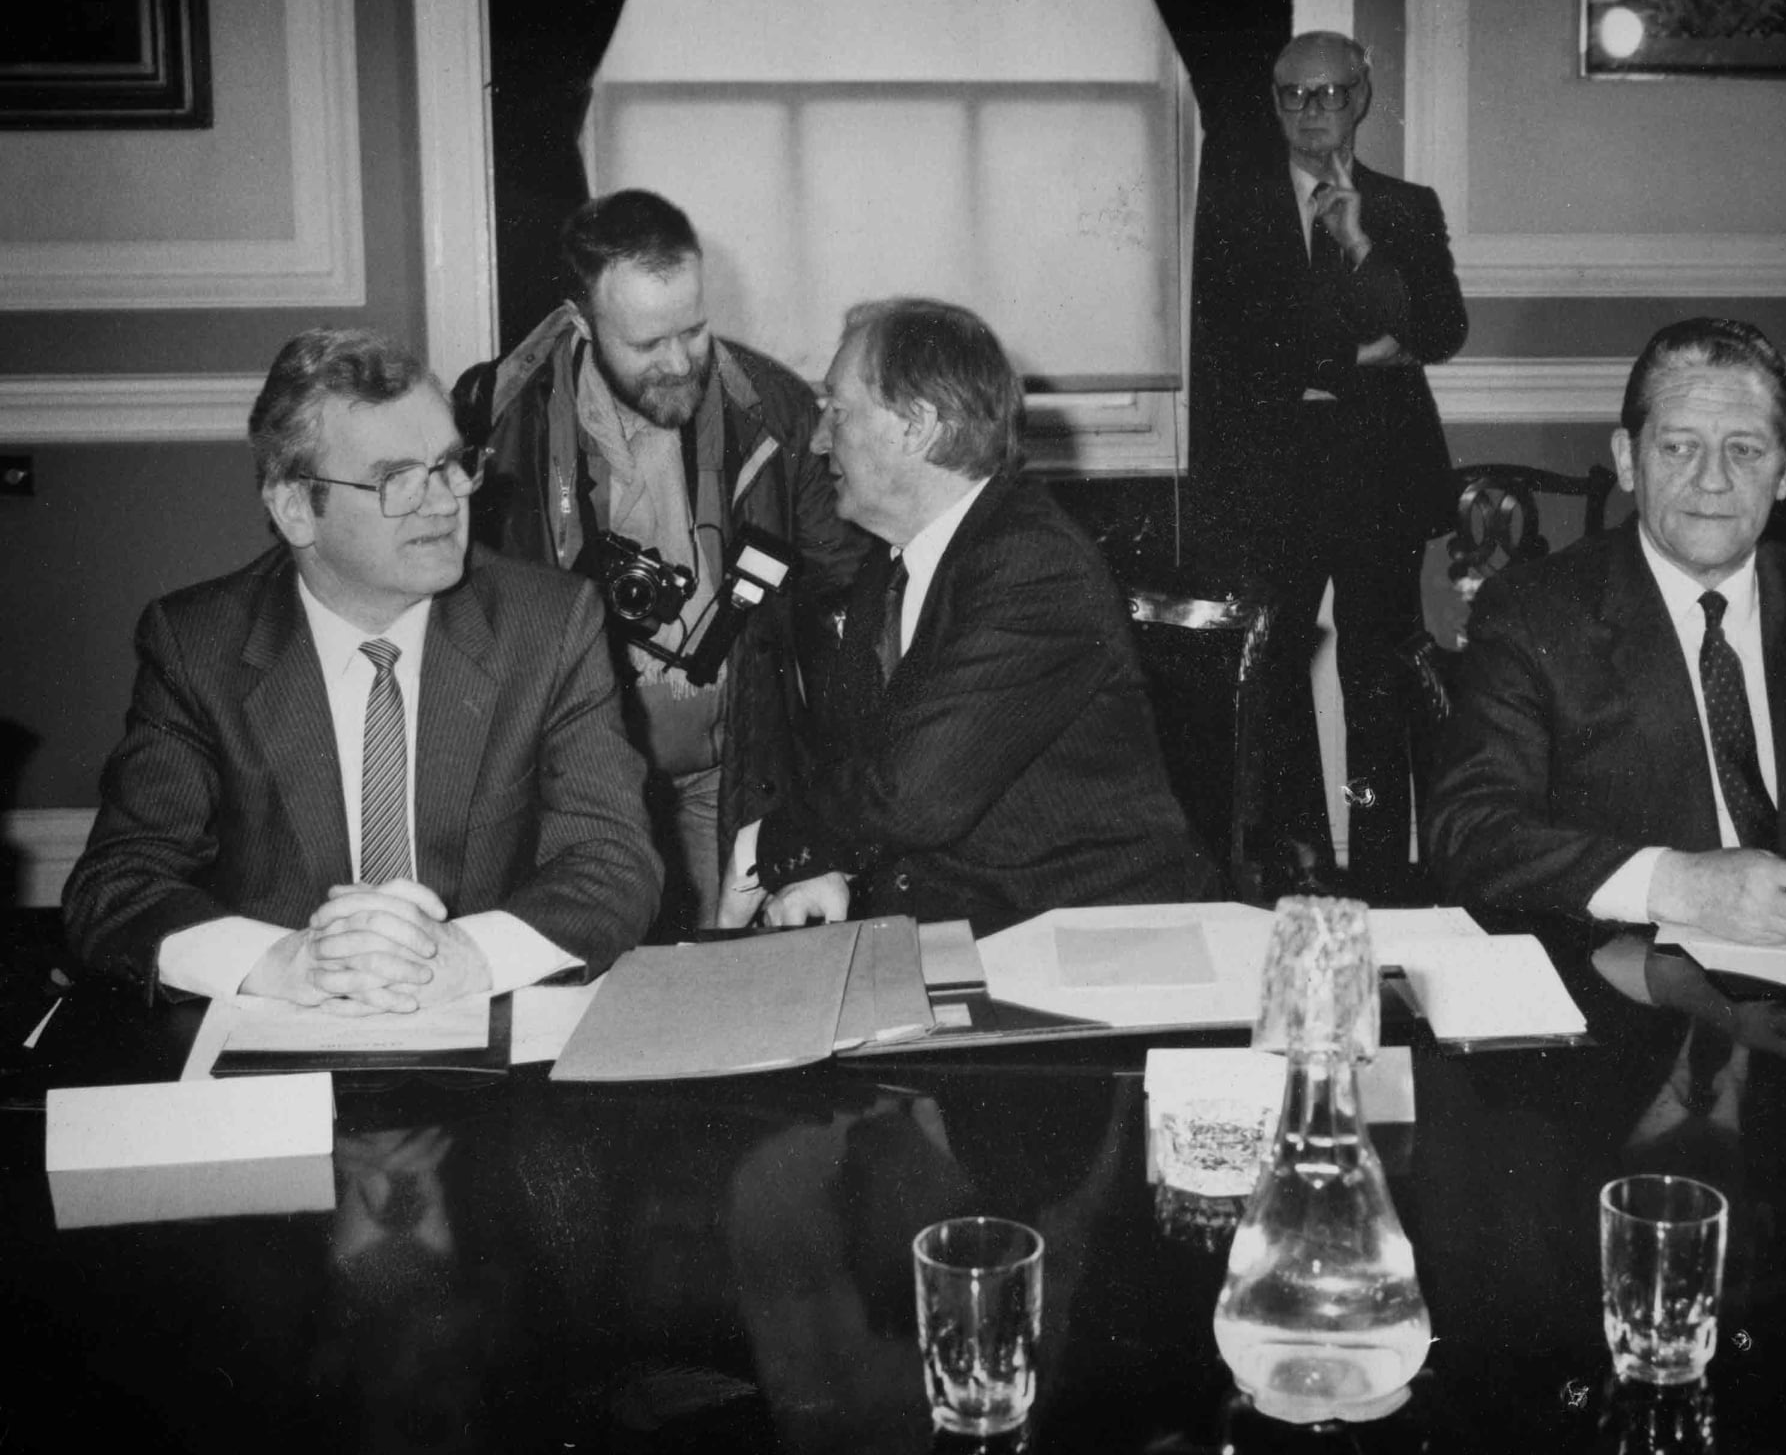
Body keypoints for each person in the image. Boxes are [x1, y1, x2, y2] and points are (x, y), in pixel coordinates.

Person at [62, 329, 662, 1012]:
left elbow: (613, 862)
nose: (444, 501)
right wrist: (280, 963)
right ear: (296, 509)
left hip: (485, 1028)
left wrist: (466, 957)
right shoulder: (200, 645)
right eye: (395, 479)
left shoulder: (548, 625)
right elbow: (117, 883)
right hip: (280, 1042)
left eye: (450, 464)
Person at [1425, 317, 1786, 949]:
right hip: (1628, 987)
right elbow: (1470, 832)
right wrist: (1682, 886)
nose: (1713, 480)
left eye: (1745, 449)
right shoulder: (1534, 611)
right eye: (1679, 447)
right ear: (1629, 459)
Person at [718, 298, 1208, 933]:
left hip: (1088, 940)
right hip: (970, 927)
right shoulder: (892, 562)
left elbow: (916, 798)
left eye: (836, 412)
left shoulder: (1031, 562)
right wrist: (830, 869)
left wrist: (762, 850)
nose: (815, 440)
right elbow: (862, 764)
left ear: (918, 426)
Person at [455, 189, 867, 933]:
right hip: (579, 786)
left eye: (695, 330)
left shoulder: (772, 407)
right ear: (580, 322)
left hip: (734, 773)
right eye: (647, 345)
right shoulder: (502, 420)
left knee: (731, 987)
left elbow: (846, 592)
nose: (680, 363)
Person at [1189, 29, 1468, 896]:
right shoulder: (1229, 207)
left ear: (1362, 92)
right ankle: (1302, 864)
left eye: (1327, 92)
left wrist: (1361, 246)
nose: (1310, 112)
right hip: (1273, 479)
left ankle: (1382, 871)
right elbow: (1231, 350)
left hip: (1382, 478)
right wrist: (1352, 357)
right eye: (1290, 95)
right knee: (1273, 674)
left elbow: (1438, 331)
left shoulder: (1406, 207)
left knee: (1376, 674)